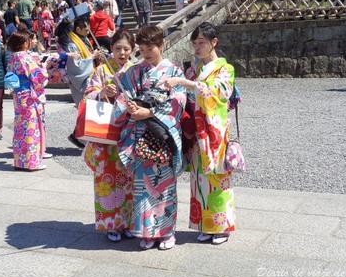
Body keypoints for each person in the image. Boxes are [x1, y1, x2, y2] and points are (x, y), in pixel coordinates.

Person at [160, 22, 236, 245]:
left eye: (202, 42)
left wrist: (186, 83)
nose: (197, 47)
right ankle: (205, 225)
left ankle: (221, 226)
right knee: (199, 179)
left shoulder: (225, 69)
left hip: (215, 131)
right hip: (197, 130)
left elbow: (218, 94)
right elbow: (187, 96)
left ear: (214, 42)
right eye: (194, 43)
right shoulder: (194, 69)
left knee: (218, 178)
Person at [113, 26, 186, 250]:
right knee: (142, 187)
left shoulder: (173, 71)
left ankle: (166, 233)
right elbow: (121, 99)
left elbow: (179, 100)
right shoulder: (134, 72)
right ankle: (146, 232)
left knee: (164, 187)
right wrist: (129, 107)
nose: (146, 53)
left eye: (150, 48)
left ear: (161, 46)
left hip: (162, 134)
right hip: (140, 136)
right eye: (142, 49)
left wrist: (151, 112)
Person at [84, 29, 135, 242]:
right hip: (106, 132)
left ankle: (131, 222)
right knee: (108, 177)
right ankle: (111, 224)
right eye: (117, 48)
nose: (122, 53)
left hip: (130, 131)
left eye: (126, 49)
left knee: (131, 178)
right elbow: (87, 95)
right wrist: (102, 92)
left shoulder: (136, 69)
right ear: (111, 49)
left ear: (133, 50)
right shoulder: (102, 70)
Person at [7, 31, 49, 171]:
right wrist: (43, 67)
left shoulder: (12, 57)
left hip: (18, 96)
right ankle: (31, 162)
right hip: (28, 97)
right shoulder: (25, 57)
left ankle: (19, 161)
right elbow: (39, 76)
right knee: (31, 127)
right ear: (24, 43)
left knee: (20, 128)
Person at [65, 18, 101, 149]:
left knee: (88, 110)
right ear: (78, 29)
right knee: (85, 108)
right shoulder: (72, 44)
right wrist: (92, 57)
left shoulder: (83, 40)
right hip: (81, 80)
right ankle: (79, 137)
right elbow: (76, 66)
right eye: (86, 29)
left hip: (90, 77)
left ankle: (79, 136)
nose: (88, 31)